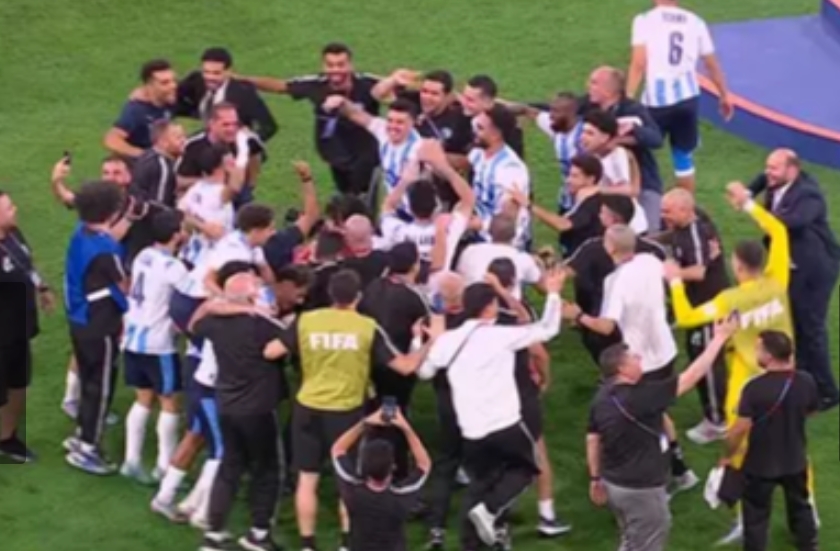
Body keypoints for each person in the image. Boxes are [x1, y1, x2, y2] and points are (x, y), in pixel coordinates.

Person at [262, 269, 438, 551]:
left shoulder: (307, 320)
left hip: (308, 407)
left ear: (330, 294)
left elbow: (271, 351)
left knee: (307, 479)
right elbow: (405, 366)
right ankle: (346, 543)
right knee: (349, 482)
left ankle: (307, 545)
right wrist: (429, 341)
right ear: (358, 296)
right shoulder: (366, 327)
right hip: (345, 412)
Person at [663, 181, 794, 545]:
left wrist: (674, 282)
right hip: (786, 379)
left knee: (740, 450)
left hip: (748, 385)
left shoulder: (730, 300)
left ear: (737, 266)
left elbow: (686, 317)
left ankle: (742, 518)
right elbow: (779, 231)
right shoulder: (779, 280)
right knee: (793, 448)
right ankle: (807, 513)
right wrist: (748, 205)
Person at [417, 269, 564, 549]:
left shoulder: (448, 339)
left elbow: (424, 372)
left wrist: (423, 340)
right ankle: (491, 511)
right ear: (488, 307)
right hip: (506, 424)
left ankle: (473, 541)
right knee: (526, 470)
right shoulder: (500, 336)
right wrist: (554, 293)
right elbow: (548, 329)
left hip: (471, 431)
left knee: (480, 484)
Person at [564, 224, 698, 494]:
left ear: (610, 247)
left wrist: (577, 316)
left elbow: (606, 327)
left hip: (639, 363)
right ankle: (681, 470)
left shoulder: (615, 281)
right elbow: (672, 271)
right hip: (665, 351)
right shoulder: (650, 260)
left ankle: (661, 481)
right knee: (659, 412)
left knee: (644, 423)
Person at [586, 318, 736, 551]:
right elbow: (691, 376)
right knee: (649, 540)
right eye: (634, 358)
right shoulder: (642, 398)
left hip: (613, 484)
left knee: (631, 538)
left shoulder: (601, 398)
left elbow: (592, 439)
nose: (639, 359)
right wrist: (719, 338)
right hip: (642, 490)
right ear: (622, 369)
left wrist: (595, 478)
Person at [190, 271, 286, 551]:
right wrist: (254, 310)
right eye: (258, 287)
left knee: (230, 467)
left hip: (227, 405)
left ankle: (214, 533)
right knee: (267, 469)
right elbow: (290, 343)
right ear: (251, 296)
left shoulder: (215, 322)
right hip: (258, 408)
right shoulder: (262, 324)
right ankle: (258, 533)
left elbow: (194, 323)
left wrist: (226, 304)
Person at [748, 149, 840, 411]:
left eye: (774, 168)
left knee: (811, 329)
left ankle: (828, 392)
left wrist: (749, 206)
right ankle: (803, 380)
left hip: (816, 270)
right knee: (796, 323)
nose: (768, 173)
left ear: (793, 170)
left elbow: (791, 223)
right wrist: (748, 190)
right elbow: (761, 179)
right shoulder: (775, 180)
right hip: (795, 266)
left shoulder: (809, 195)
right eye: (768, 166)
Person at [485, 259, 570, 539]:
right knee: (537, 454)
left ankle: (499, 520)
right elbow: (539, 353)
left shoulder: (474, 313)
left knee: (497, 458)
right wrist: (545, 379)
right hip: (520, 393)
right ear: (512, 282)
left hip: (490, 395)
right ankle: (547, 516)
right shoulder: (516, 316)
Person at [722, 331, 819, 551]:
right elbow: (811, 411)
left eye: (758, 349)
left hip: (760, 464)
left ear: (769, 355)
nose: (755, 353)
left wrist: (728, 455)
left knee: (756, 514)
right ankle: (809, 544)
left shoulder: (754, 388)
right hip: (795, 459)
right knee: (800, 505)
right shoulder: (806, 381)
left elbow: (739, 429)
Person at [242, 43, 382, 196]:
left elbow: (394, 86)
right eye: (330, 65)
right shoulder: (316, 84)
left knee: (362, 197)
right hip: (337, 156)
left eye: (341, 64)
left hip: (366, 155)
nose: (335, 70)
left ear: (350, 65)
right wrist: (240, 79)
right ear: (323, 66)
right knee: (345, 193)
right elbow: (280, 86)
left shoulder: (367, 83)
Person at [626, 0, 733, 193]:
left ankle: (643, 198)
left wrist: (628, 98)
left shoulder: (644, 20)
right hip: (688, 99)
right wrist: (724, 95)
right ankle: (685, 206)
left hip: (657, 101)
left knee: (638, 148)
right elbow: (711, 63)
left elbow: (639, 63)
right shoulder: (695, 21)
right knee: (683, 156)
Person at [62, 181, 130, 474]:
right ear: (111, 211)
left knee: (90, 379)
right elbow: (124, 284)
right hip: (100, 323)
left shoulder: (81, 232)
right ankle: (88, 447)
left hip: (79, 319)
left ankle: (82, 434)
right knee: (100, 386)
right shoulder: (107, 250)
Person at [120, 210, 187, 483]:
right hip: (158, 343)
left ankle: (131, 460)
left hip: (132, 338)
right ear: (176, 235)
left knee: (143, 399)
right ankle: (164, 467)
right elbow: (192, 294)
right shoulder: (174, 268)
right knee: (169, 403)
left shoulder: (144, 255)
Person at [660, 188, 730, 443]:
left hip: (708, 308)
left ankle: (718, 421)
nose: (663, 215)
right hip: (697, 307)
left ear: (684, 210)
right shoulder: (686, 223)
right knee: (698, 355)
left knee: (708, 362)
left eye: (667, 211)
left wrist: (672, 273)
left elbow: (699, 271)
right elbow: (674, 236)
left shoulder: (695, 233)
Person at [563, 195, 666, 363]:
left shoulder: (597, 256)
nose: (599, 215)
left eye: (602, 212)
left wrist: (578, 315)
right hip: (651, 331)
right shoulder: (653, 255)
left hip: (604, 329)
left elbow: (606, 327)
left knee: (617, 366)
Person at [359, 242, 432, 476]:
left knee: (375, 410)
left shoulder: (372, 287)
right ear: (415, 265)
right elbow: (427, 328)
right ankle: (394, 470)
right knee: (393, 416)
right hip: (396, 369)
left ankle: (369, 460)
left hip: (369, 364)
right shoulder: (414, 297)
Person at [0, 190, 56, 462]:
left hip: (20, 329)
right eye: (9, 208)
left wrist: (42, 287)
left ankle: (6, 439)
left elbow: (26, 263)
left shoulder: (13, 235)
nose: (16, 210)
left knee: (18, 385)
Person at [331, 408, 432, 551]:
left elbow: (338, 449)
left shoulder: (352, 491)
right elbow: (424, 464)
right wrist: (406, 428)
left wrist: (365, 423)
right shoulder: (401, 495)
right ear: (393, 466)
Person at [582, 66, 664, 231]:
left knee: (650, 233)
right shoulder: (589, 105)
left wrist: (634, 129)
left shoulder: (633, 110)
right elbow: (560, 107)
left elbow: (656, 139)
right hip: (610, 184)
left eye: (594, 83)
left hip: (644, 182)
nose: (588, 86)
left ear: (608, 90)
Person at [177, 47, 278, 144]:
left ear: (228, 71)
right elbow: (173, 97)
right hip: (209, 140)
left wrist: (246, 146)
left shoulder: (244, 92)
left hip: (233, 144)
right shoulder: (196, 80)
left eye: (216, 73)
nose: (210, 77)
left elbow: (269, 127)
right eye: (206, 72)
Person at [510, 153, 605, 256]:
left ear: (591, 179)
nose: (568, 180)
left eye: (575, 176)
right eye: (569, 175)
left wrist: (528, 205)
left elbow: (563, 224)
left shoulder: (593, 203)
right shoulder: (577, 199)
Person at [469, 104, 531, 249]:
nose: (475, 131)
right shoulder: (478, 154)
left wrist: (479, 224)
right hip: (482, 236)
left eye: (480, 128)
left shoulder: (510, 170)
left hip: (506, 244)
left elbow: (508, 219)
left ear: (496, 134)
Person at [579, 109, 648, 234]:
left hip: (631, 229)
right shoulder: (595, 156)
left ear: (605, 137)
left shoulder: (617, 156)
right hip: (611, 226)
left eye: (590, 133)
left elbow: (629, 190)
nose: (583, 137)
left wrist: (595, 190)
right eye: (583, 132)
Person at [176, 102, 252, 205]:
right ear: (211, 124)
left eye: (235, 124)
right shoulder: (193, 146)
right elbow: (177, 181)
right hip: (201, 201)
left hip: (234, 195)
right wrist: (207, 182)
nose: (232, 129)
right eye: (226, 125)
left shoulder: (240, 142)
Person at [456, 213, 542, 299]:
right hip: (507, 305)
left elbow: (459, 275)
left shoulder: (470, 251)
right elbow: (541, 283)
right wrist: (540, 264)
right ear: (515, 235)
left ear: (489, 232)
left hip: (471, 303)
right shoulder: (523, 258)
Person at [104, 59, 176, 159]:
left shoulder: (170, 100)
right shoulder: (137, 110)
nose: (173, 86)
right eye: (164, 83)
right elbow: (112, 140)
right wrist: (145, 155)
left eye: (173, 80)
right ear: (149, 86)